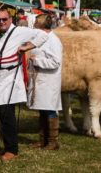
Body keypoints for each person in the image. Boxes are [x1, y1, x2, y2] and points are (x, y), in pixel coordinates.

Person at [0, 9, 46, 163]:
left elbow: (42, 35)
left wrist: (27, 47)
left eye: (4, 19)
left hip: (10, 80)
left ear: (10, 19)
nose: (1, 22)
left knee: (8, 116)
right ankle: (7, 146)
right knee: (1, 114)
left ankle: (12, 150)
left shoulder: (19, 31)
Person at [22, 14, 63, 150]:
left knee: (50, 109)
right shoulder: (39, 39)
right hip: (39, 79)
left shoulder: (53, 41)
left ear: (40, 26)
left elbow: (56, 62)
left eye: (35, 25)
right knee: (42, 109)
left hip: (49, 80)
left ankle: (52, 141)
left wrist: (37, 61)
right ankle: (42, 139)